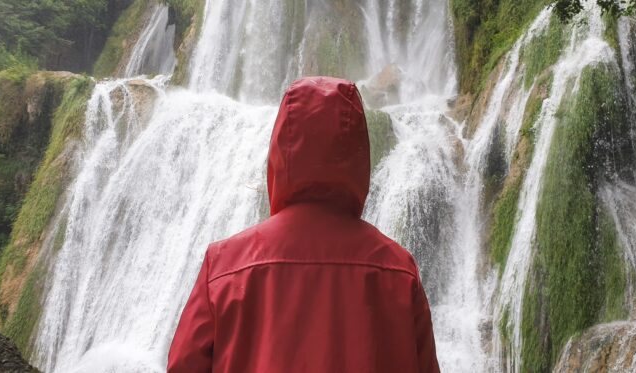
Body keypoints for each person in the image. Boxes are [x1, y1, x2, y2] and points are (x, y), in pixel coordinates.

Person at [167, 77, 440, 373]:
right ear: (358, 152)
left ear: (278, 149)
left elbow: (184, 365)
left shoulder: (223, 266)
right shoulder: (398, 271)